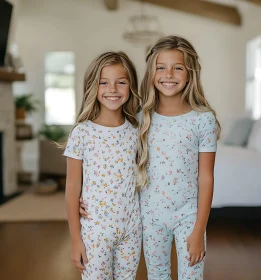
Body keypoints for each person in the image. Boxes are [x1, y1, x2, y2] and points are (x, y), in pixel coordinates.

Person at [136, 35, 220, 280]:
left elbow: (206, 177)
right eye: (161, 67)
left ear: (190, 72)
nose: (168, 74)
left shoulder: (203, 120)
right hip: (150, 216)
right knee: (157, 275)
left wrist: (199, 229)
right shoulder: (140, 119)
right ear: (151, 72)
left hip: (189, 217)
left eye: (178, 68)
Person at [64, 51, 142, 280]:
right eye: (104, 82)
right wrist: (76, 239)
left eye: (121, 82)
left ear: (131, 86)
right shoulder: (82, 133)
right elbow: (72, 188)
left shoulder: (137, 132)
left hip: (131, 230)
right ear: (93, 87)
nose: (113, 89)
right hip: (95, 233)